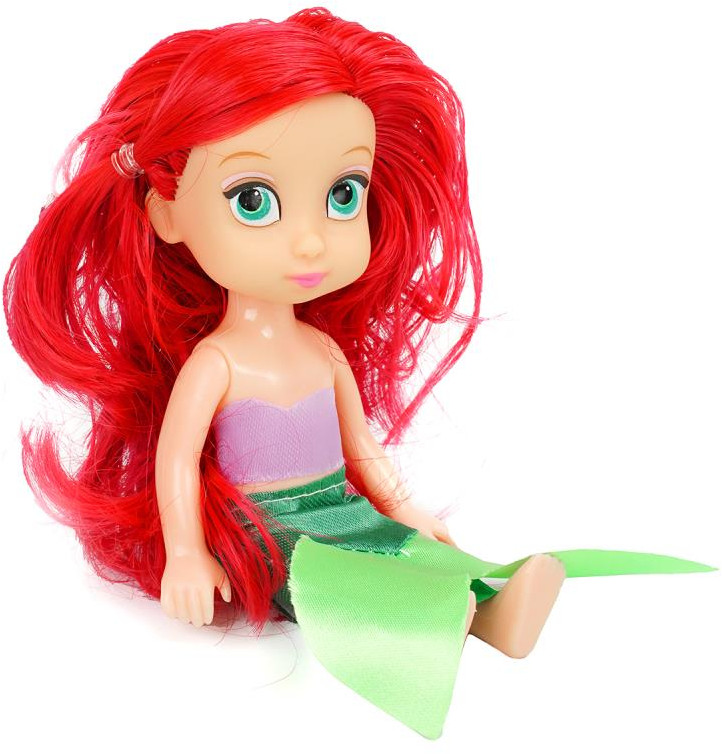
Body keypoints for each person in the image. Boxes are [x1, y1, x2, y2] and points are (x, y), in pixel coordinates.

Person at [3, 8, 714, 739]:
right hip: (267, 526)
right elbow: (176, 460)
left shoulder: (322, 351)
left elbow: (361, 446)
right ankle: (444, 615)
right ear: (168, 214)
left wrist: (403, 506)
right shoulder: (217, 362)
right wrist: (185, 553)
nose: (311, 239)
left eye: (343, 194)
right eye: (254, 200)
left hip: (341, 503)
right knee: (336, 580)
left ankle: (484, 603)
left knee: (403, 547)